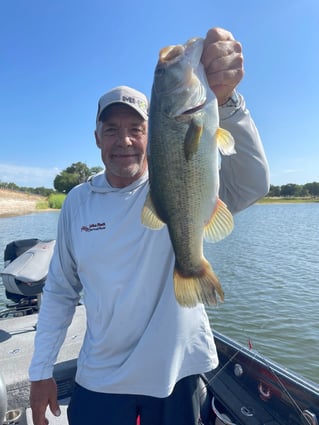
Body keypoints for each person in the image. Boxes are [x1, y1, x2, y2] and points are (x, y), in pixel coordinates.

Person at [29, 27, 269, 425]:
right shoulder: (77, 203)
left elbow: (253, 183)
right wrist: (40, 371)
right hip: (100, 378)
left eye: (136, 128)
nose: (124, 140)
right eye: (112, 129)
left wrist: (228, 103)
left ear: (153, 132)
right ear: (96, 138)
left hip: (178, 372)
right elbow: (59, 291)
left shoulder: (178, 177)